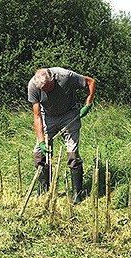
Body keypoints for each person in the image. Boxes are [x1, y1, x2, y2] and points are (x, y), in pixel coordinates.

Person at [28, 67, 95, 203]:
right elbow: (37, 116)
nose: (45, 91)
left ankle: (77, 193)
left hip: (69, 114)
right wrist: (41, 141)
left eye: (47, 88)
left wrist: (88, 104)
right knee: (39, 154)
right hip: (48, 117)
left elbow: (90, 82)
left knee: (72, 154)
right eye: (43, 90)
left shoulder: (65, 76)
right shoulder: (33, 86)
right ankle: (43, 190)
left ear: (52, 79)